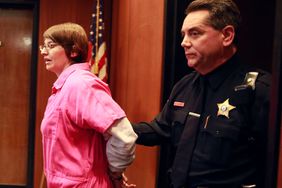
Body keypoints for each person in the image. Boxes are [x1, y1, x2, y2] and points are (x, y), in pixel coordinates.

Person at [132, 0, 271, 188]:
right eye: (183, 35)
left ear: (227, 35)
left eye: (195, 33)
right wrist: (108, 125)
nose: (184, 43)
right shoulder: (185, 86)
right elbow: (159, 130)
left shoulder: (258, 90)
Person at [39, 22, 137, 188]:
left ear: (74, 50)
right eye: (44, 46)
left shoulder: (82, 84)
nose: (43, 51)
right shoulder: (64, 87)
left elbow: (124, 136)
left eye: (51, 45)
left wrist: (114, 173)